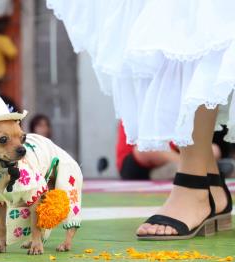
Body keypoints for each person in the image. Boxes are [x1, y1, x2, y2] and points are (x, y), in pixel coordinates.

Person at [47, 0, 234, 240]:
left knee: (190, 25)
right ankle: (209, 184)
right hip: (135, 160)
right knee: (174, 27)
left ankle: (194, 186)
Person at [117, 121, 223, 180]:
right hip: (137, 163)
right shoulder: (138, 105)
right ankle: (193, 168)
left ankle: (179, 169)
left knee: (213, 149)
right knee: (148, 147)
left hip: (172, 155)